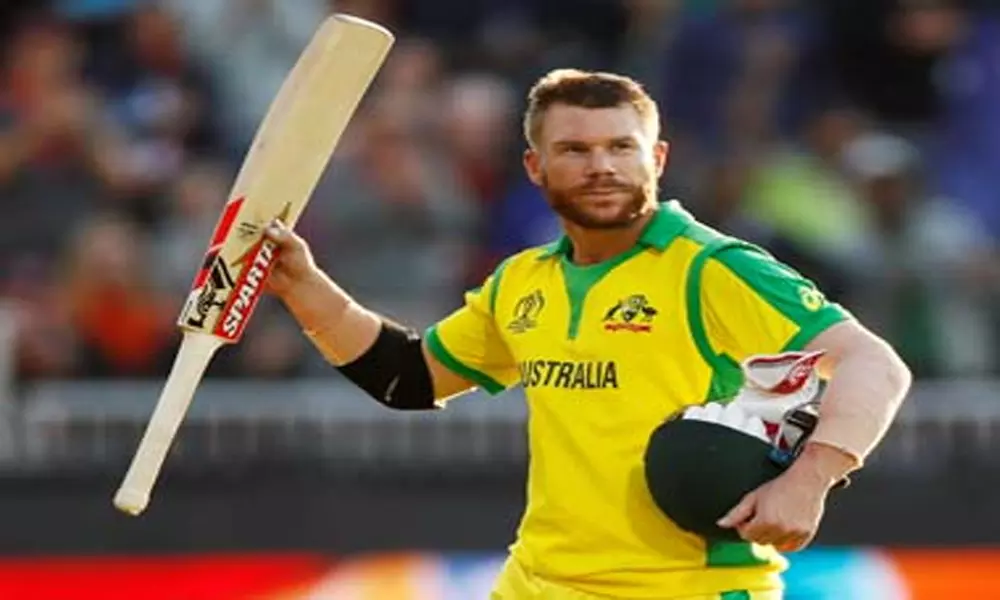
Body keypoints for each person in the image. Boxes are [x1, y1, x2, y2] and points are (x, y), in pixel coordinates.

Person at [261, 69, 912, 600]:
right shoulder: (521, 280)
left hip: (684, 589)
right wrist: (302, 285)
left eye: (620, 147)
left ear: (656, 158)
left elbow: (874, 365)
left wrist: (811, 478)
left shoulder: (710, 268)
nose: (601, 166)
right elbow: (408, 377)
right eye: (574, 149)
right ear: (535, 166)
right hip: (536, 583)